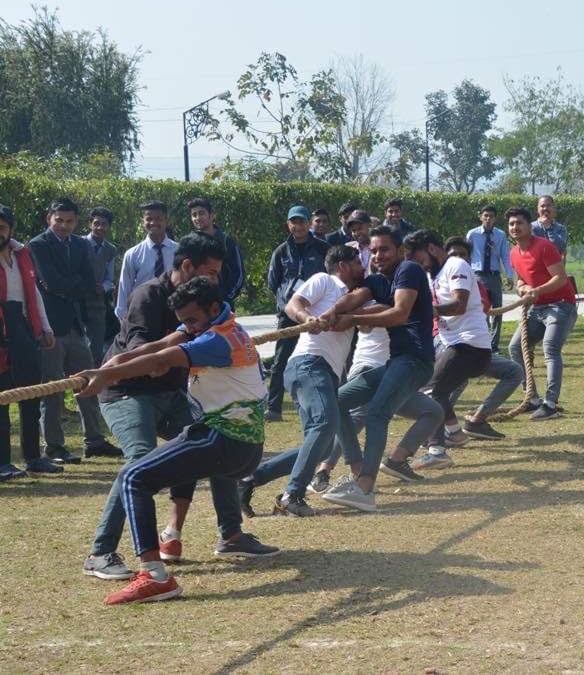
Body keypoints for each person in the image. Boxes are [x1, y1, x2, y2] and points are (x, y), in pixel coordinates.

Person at [76, 276, 279, 605]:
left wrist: (106, 377)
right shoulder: (218, 325)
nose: (188, 327)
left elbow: (161, 360)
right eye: (184, 321)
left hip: (224, 440)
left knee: (133, 477)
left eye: (192, 320)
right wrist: (112, 364)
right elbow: (160, 346)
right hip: (241, 446)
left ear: (213, 308)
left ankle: (154, 576)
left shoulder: (218, 340)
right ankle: (180, 539)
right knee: (172, 453)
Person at [239, 245, 368, 517]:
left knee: (320, 444)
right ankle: (291, 496)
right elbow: (292, 305)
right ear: (343, 265)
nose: (363, 266)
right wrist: (307, 318)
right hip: (310, 364)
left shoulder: (353, 296)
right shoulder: (324, 280)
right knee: (325, 424)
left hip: (324, 372)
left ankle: (250, 479)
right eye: (358, 261)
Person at [317, 225, 436, 511]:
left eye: (385, 249)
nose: (378, 255)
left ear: (400, 251)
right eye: (374, 250)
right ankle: (358, 471)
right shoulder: (379, 280)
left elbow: (399, 313)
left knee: (377, 415)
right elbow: (355, 297)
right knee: (336, 401)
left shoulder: (408, 269)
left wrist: (352, 320)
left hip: (415, 360)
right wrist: (333, 311)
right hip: (396, 362)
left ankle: (365, 489)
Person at [29, 198, 118, 463]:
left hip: (76, 325)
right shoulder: (38, 245)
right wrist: (70, 285)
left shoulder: (80, 244)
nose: (64, 226)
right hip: (50, 327)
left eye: (69, 221)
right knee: (52, 389)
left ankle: (94, 441)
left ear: (77, 222)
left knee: (87, 383)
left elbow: (89, 282)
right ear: (49, 218)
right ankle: (54, 446)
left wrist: (65, 286)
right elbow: (50, 282)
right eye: (59, 220)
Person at [403, 230, 491, 470]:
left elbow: (459, 304)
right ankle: (455, 432)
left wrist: (428, 311)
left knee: (431, 391)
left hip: (469, 346)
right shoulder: (433, 274)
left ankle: (437, 451)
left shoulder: (456, 265)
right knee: (435, 389)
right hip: (456, 345)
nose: (419, 264)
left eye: (419, 258)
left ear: (431, 249)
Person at [0, 204, 60, 480]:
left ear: (10, 229)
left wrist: (45, 326)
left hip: (23, 329)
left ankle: (33, 458)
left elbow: (33, 293)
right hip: (1, 332)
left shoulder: (22, 254)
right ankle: (2, 463)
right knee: (2, 399)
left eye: (2, 227)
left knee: (30, 395)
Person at [443, 237, 523, 442]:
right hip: (448, 346)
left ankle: (477, 421)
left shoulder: (477, 286)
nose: (458, 259)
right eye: (453, 255)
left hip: (475, 349)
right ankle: (437, 428)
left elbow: (481, 314)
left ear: (470, 259)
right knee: (459, 373)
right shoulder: (438, 283)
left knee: (513, 372)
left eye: (463, 255)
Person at [507, 206, 577, 421]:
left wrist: (537, 290)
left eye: (519, 223)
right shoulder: (514, 253)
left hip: (561, 306)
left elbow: (560, 278)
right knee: (515, 347)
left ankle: (550, 404)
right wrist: (522, 288)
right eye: (511, 224)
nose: (515, 227)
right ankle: (533, 398)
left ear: (529, 226)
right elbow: (521, 279)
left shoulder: (544, 247)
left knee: (550, 348)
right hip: (537, 308)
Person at [265, 206, 329, 422]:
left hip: (317, 312)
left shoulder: (323, 248)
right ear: (288, 225)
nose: (298, 226)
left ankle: (330, 402)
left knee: (321, 357)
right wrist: (287, 302)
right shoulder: (281, 251)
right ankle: (273, 408)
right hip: (289, 314)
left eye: (302, 221)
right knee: (280, 360)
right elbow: (274, 282)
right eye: (294, 221)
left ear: (309, 223)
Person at [115, 200, 178, 320]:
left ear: (167, 221)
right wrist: (123, 318)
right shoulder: (132, 254)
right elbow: (124, 288)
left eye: (158, 219)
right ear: (142, 222)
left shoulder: (179, 251)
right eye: (149, 219)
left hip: (173, 311)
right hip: (142, 312)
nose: (153, 223)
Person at [466, 205, 514, 353]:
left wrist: (509, 275)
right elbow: (466, 255)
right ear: (481, 217)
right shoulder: (472, 234)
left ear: (495, 219)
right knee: (482, 311)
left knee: (498, 311)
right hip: (478, 276)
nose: (488, 219)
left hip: (494, 276)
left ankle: (494, 345)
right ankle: (484, 342)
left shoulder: (500, 235)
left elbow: (505, 255)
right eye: (485, 215)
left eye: (491, 216)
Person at [187, 197, 246, 309]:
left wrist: (226, 298)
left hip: (223, 306)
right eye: (194, 215)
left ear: (211, 216)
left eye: (201, 213)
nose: (197, 218)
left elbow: (239, 273)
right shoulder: (189, 243)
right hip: (197, 307)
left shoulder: (226, 241)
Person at [83, 207, 118, 366]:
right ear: (90, 224)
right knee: (77, 348)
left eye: (104, 224)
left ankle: (92, 380)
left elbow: (109, 279)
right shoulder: (79, 243)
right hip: (78, 303)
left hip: (98, 304)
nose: (100, 227)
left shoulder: (111, 250)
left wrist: (104, 287)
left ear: (109, 227)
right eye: (96, 223)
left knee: (96, 349)